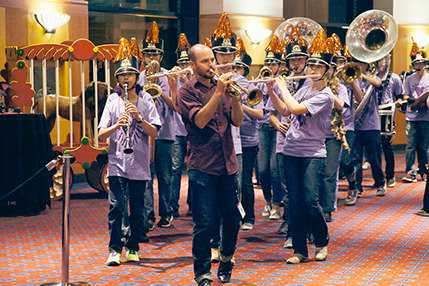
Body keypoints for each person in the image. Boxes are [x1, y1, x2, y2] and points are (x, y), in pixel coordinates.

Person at [267, 29, 333, 264]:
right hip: (291, 151)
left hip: (313, 154)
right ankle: (299, 250)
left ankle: (322, 242)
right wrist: (270, 91)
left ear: (328, 70)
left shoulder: (326, 96)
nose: (312, 69)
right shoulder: (304, 88)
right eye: (311, 65)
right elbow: (285, 111)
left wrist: (282, 87)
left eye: (318, 66)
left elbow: (295, 108)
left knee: (309, 200)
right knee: (293, 201)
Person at [99, 45, 161, 266]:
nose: (126, 78)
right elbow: (100, 134)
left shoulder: (146, 101)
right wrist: (117, 125)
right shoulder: (112, 101)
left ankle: (133, 247)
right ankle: (114, 249)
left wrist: (140, 118)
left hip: (139, 164)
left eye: (130, 74)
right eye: (122, 75)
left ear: (137, 77)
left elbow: (155, 132)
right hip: (117, 162)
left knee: (137, 210)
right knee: (116, 207)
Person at [138, 21, 176, 229]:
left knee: (165, 175)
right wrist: (146, 84)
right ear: (143, 57)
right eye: (148, 54)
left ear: (161, 57)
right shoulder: (138, 77)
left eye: (155, 54)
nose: (151, 58)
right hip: (144, 133)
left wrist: (158, 88)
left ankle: (166, 212)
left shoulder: (168, 75)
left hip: (165, 132)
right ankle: (148, 215)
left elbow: (175, 105)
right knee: (145, 176)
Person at [233, 37, 264, 231]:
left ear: (245, 69)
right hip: (231, 140)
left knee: (245, 181)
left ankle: (249, 217)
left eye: (238, 67)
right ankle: (234, 214)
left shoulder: (250, 87)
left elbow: (260, 114)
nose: (234, 71)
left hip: (248, 141)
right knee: (232, 181)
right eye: (232, 67)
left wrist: (239, 103)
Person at [320, 34, 350, 223]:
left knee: (330, 173)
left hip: (332, 135)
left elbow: (341, 106)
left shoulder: (340, 87)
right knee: (317, 174)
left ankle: (328, 208)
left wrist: (327, 91)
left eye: (331, 68)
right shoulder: (312, 85)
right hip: (313, 136)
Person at [256, 34, 284, 219]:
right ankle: (267, 201)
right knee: (262, 169)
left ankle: (276, 205)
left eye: (274, 64)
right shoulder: (259, 80)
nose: (270, 67)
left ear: (280, 65)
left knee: (275, 169)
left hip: (278, 128)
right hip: (262, 127)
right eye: (268, 63)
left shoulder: (283, 82)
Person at [350, 57, 386, 198]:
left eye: (362, 64)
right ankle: (357, 187)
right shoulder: (350, 78)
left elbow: (378, 83)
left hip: (371, 125)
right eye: (357, 64)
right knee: (356, 159)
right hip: (355, 125)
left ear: (366, 65)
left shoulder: (372, 78)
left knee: (374, 157)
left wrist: (362, 75)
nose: (359, 66)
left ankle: (380, 183)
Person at [399, 41, 429, 183]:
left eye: (420, 63)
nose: (418, 66)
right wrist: (416, 101)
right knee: (410, 146)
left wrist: (422, 102)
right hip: (411, 117)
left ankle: (424, 170)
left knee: (424, 146)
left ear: (425, 64)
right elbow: (405, 96)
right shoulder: (409, 79)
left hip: (425, 116)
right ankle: (410, 172)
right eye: (416, 64)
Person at [170, 33, 192, 218]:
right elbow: (175, 104)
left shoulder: (196, 77)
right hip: (177, 129)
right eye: (182, 63)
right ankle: (173, 207)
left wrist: (188, 81)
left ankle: (193, 204)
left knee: (194, 168)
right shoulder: (173, 76)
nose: (184, 67)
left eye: (187, 63)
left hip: (194, 129)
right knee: (175, 169)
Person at [376, 54, 404, 188]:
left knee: (387, 147)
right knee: (374, 148)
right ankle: (378, 178)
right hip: (373, 114)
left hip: (387, 114)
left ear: (388, 61)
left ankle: (390, 176)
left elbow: (399, 96)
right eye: (379, 59)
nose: (381, 62)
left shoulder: (395, 78)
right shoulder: (372, 76)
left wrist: (398, 103)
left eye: (384, 59)